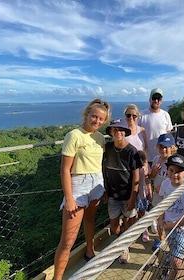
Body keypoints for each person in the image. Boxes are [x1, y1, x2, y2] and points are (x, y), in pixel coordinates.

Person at [54, 99, 111, 280]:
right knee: (68, 240)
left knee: (90, 219)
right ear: (86, 114)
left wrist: (104, 187)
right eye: (94, 116)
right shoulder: (74, 135)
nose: (97, 121)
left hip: (97, 182)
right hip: (78, 184)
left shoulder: (101, 138)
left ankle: (89, 251)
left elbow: (99, 164)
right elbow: (64, 169)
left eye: (101, 119)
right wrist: (69, 198)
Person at [103, 118, 142, 264]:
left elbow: (136, 176)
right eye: (114, 130)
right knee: (114, 224)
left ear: (125, 132)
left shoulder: (132, 151)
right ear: (111, 132)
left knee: (128, 221)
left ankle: (123, 247)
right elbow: (104, 168)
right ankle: (121, 242)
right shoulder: (108, 148)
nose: (117, 132)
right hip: (113, 193)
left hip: (127, 194)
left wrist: (133, 197)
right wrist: (105, 189)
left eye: (120, 129)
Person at [157, 154, 184, 279]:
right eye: (171, 170)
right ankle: (171, 259)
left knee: (177, 264)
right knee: (172, 247)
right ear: (167, 171)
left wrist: (172, 225)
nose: (174, 175)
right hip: (168, 223)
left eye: (179, 172)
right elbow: (163, 202)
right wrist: (160, 219)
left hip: (182, 229)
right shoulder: (165, 184)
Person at [139, 88, 173, 166]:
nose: (156, 101)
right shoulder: (142, 115)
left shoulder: (165, 115)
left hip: (162, 158)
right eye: (154, 98)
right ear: (150, 99)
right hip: (146, 158)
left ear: (161, 101)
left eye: (158, 98)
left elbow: (168, 134)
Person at [136, 150, 153, 242]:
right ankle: (138, 230)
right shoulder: (132, 167)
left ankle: (145, 229)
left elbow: (148, 180)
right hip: (134, 194)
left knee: (143, 211)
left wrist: (150, 193)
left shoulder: (145, 168)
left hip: (143, 193)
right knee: (134, 214)